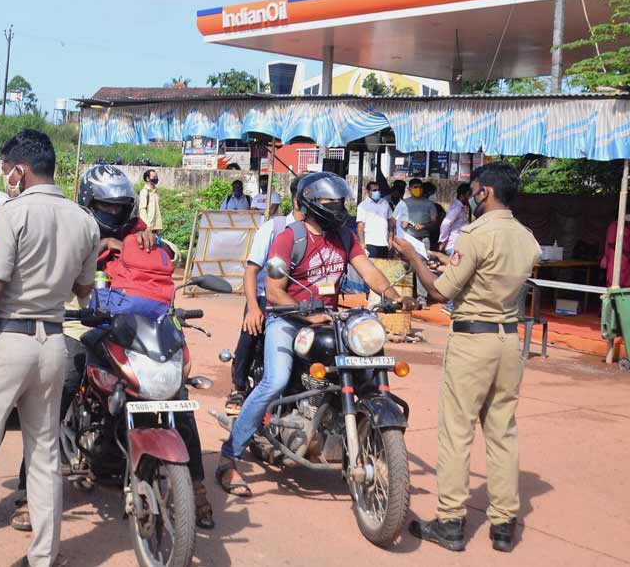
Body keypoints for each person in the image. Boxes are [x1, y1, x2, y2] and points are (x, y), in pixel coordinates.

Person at [10, 165, 216, 533]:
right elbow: (53, 272)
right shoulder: (70, 226)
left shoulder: (139, 232)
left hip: (134, 327)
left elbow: (160, 269)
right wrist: (97, 247)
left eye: (123, 207)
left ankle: (195, 486)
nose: (116, 215)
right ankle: (29, 492)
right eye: (108, 207)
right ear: (90, 204)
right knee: (59, 389)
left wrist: (152, 245)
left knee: (174, 395)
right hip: (79, 324)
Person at [0, 129, 100, 567]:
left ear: (20, 170)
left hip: (7, 342)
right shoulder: (84, 221)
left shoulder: (11, 214)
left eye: (8, 170)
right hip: (53, 344)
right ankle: (44, 557)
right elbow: (84, 288)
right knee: (45, 454)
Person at [214, 172, 412, 498]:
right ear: (310, 203)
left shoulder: (345, 236)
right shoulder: (289, 237)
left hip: (330, 319)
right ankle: (229, 456)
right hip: (288, 319)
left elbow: (368, 270)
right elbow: (275, 290)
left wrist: (393, 294)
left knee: (368, 365)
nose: (336, 207)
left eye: (339, 201)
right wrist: (303, 311)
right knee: (275, 380)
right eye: (328, 202)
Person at [392, 162, 539, 553]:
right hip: (510, 339)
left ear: (486, 192)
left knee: (457, 432)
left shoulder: (475, 234)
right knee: (502, 431)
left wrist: (413, 256)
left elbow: (440, 293)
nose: (470, 196)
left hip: (474, 341)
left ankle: (451, 522)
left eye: (473, 190)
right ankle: (504, 525)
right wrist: (450, 264)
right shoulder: (526, 237)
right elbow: (489, 277)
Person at [224, 177, 301, 415]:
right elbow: (252, 269)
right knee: (250, 333)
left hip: (299, 301)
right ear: (298, 199)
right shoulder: (274, 228)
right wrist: (254, 307)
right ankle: (238, 386)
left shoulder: (324, 232)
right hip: (264, 297)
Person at [356, 181, 393, 258]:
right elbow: (360, 226)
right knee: (372, 267)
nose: (377, 192)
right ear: (368, 192)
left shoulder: (385, 203)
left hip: (384, 243)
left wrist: (390, 238)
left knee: (383, 267)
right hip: (370, 243)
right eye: (374, 190)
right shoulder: (362, 206)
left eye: (378, 190)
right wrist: (362, 243)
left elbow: (391, 222)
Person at [439, 183, 471, 255]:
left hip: (458, 246)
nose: (470, 198)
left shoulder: (461, 207)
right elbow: (446, 223)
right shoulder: (457, 208)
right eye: (469, 195)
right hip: (454, 247)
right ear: (462, 195)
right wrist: (443, 241)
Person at [603, 211, 630, 287]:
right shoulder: (614, 226)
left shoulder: (627, 228)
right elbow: (611, 243)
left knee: (625, 283)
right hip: (616, 258)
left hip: (626, 262)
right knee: (614, 282)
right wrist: (625, 253)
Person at [138, 169, 163, 233]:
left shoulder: (157, 191)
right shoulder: (144, 192)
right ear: (147, 178)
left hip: (156, 227)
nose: (156, 178)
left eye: (156, 177)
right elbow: (142, 211)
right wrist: (148, 226)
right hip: (148, 227)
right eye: (154, 177)